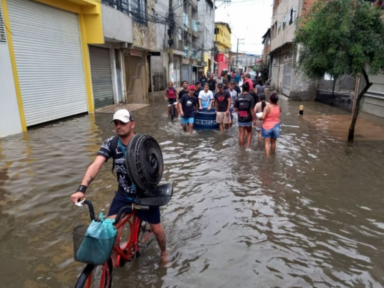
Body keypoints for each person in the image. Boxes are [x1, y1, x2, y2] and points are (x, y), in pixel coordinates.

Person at [70, 109, 168, 264]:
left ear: (133, 124)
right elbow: (96, 165)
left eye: (123, 122)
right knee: (110, 230)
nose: (118, 126)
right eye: (116, 123)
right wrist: (82, 189)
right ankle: (113, 264)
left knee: (156, 229)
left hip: (145, 195)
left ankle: (164, 252)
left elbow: (158, 167)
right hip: (123, 196)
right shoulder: (111, 143)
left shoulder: (143, 143)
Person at [232, 82, 256, 149]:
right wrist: (254, 119)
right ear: (248, 89)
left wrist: (233, 111)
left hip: (240, 117)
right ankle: (248, 147)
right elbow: (251, 109)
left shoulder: (238, 98)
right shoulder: (251, 98)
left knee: (241, 133)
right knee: (249, 132)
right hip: (248, 118)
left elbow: (236, 108)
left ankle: (241, 148)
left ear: (242, 89)